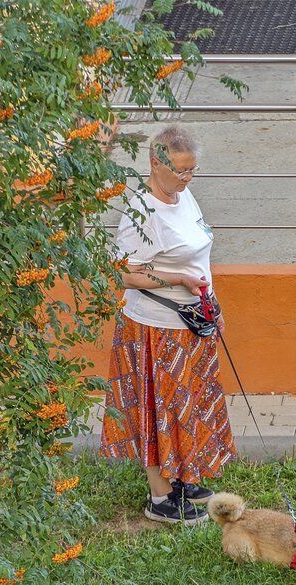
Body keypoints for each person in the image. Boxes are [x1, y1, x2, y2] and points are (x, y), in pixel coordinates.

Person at [99, 125, 235, 525]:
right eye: (179, 171)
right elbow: (122, 274)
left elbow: (197, 259)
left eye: (192, 171)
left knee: (185, 406)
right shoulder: (142, 212)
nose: (186, 179)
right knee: (160, 408)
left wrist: (213, 304)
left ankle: (182, 477)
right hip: (156, 329)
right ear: (154, 163)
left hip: (192, 321)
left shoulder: (183, 196)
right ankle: (160, 498)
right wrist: (176, 281)